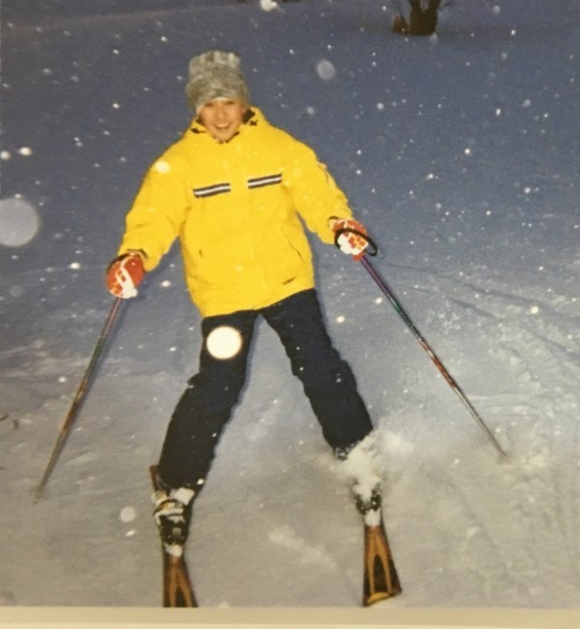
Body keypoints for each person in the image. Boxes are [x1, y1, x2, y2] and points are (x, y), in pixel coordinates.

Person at [106, 49, 382, 551]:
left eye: (227, 101)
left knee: (320, 366)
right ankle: (175, 482)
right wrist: (135, 256)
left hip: (285, 283)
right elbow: (154, 217)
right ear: (196, 109)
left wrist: (339, 225)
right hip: (225, 294)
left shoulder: (279, 148)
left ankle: (357, 451)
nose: (220, 114)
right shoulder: (178, 164)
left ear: (242, 102)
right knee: (217, 385)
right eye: (209, 104)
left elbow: (315, 194)